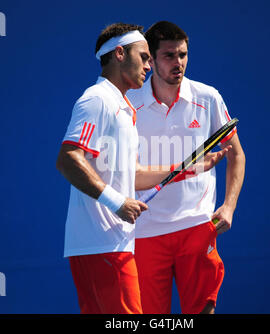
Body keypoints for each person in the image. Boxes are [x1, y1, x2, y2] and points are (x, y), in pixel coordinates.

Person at [56, 22, 229, 314]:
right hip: (102, 244)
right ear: (120, 54)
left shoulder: (122, 108)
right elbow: (68, 159)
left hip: (114, 244)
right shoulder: (97, 100)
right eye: (144, 56)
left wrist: (188, 168)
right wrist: (117, 202)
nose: (149, 65)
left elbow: (134, 175)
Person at [127, 21, 246, 314]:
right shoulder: (128, 103)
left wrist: (229, 206)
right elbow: (125, 172)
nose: (178, 63)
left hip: (196, 225)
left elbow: (236, 155)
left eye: (182, 54)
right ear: (150, 59)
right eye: (169, 55)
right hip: (145, 232)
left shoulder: (208, 97)